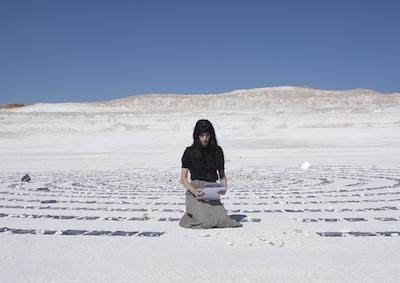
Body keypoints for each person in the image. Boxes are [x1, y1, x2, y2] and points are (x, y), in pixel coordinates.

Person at [178, 119, 242, 229]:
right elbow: (183, 179)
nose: (204, 139)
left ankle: (198, 213)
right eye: (201, 135)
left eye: (207, 135)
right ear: (197, 136)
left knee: (222, 221)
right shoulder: (189, 151)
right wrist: (194, 191)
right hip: (195, 192)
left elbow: (222, 175)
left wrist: (223, 187)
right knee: (205, 222)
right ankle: (188, 216)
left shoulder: (217, 151)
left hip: (211, 191)